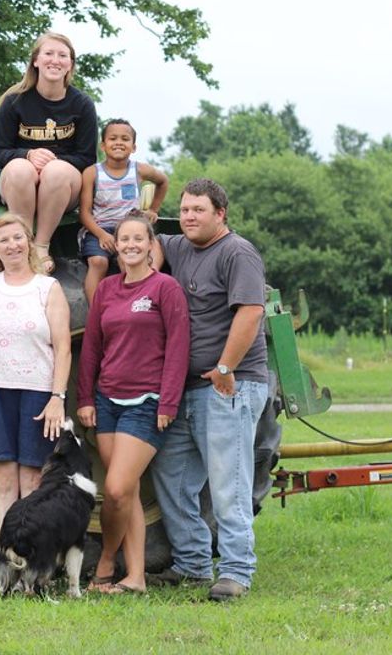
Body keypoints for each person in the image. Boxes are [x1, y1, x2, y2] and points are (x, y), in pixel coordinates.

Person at [149, 178, 270, 602]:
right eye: (184, 210)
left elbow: (251, 312)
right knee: (173, 477)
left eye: (198, 210)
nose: (189, 217)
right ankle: (193, 563)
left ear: (221, 214)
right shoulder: (181, 247)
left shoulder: (237, 252)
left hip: (229, 386)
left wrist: (224, 367)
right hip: (187, 389)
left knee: (228, 483)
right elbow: (151, 241)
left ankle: (236, 571)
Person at [76, 212, 189, 594]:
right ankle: (136, 577)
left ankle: (107, 562)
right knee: (126, 491)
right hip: (107, 400)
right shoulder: (107, 289)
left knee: (120, 489)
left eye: (139, 239)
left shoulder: (165, 288)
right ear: (115, 244)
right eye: (124, 239)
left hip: (146, 401)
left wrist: (167, 403)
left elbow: (178, 348)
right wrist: (86, 398)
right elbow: (91, 348)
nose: (131, 245)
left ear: (150, 244)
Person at [0, 212, 72, 550]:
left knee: (31, 478)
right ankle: (7, 560)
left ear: (28, 242)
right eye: (4, 240)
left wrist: (57, 396)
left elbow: (63, 347)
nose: (12, 245)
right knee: (2, 480)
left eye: (17, 238)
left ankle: (31, 556)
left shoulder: (48, 288)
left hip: (37, 393)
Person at [0, 31, 98, 274]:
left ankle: (41, 246)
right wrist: (27, 155)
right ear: (35, 60)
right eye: (48, 53)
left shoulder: (82, 104)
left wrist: (52, 160)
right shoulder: (14, 101)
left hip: (63, 186)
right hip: (19, 184)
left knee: (56, 171)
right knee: (19, 168)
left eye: (63, 55)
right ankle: (23, 240)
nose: (55, 60)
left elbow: (88, 158)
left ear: (70, 64)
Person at [78, 119, 169, 303]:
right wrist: (102, 235)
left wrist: (153, 209)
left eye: (125, 139)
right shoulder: (92, 173)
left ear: (133, 147)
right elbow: (84, 214)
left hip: (129, 229)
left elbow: (163, 181)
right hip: (99, 229)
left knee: (129, 261)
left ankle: (130, 304)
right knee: (98, 262)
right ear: (103, 145)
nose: (119, 142)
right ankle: (96, 311)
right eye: (113, 138)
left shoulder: (139, 170)